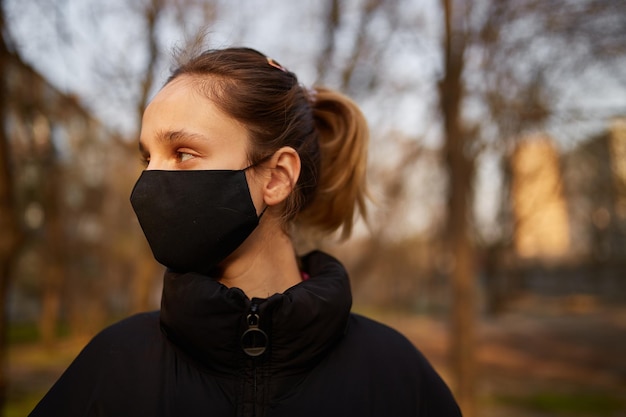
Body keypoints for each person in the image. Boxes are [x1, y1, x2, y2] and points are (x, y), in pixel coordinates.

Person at [30, 47, 461, 417]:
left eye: (183, 153)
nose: (149, 183)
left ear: (276, 177)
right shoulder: (114, 366)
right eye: (148, 158)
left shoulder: (394, 375)